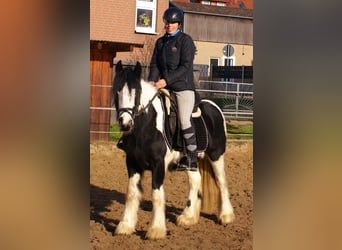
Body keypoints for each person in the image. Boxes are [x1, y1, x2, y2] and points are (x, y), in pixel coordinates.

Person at [148, 7, 197, 171]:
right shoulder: (160, 42)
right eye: (167, 22)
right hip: (163, 85)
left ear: (179, 24)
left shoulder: (186, 41)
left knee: (184, 119)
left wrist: (165, 80)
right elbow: (155, 64)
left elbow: (185, 67)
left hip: (183, 87)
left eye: (172, 22)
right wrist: (151, 81)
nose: (169, 25)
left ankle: (191, 158)